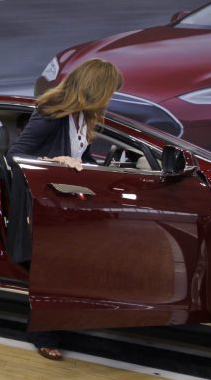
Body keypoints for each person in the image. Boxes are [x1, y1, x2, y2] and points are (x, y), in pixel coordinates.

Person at [6, 58, 123, 362]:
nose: (110, 99)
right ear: (95, 88)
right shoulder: (51, 113)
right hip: (40, 203)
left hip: (61, 203)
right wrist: (56, 160)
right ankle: (43, 335)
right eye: (109, 91)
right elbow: (16, 154)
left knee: (63, 268)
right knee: (51, 270)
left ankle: (55, 326)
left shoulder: (82, 116)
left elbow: (79, 157)